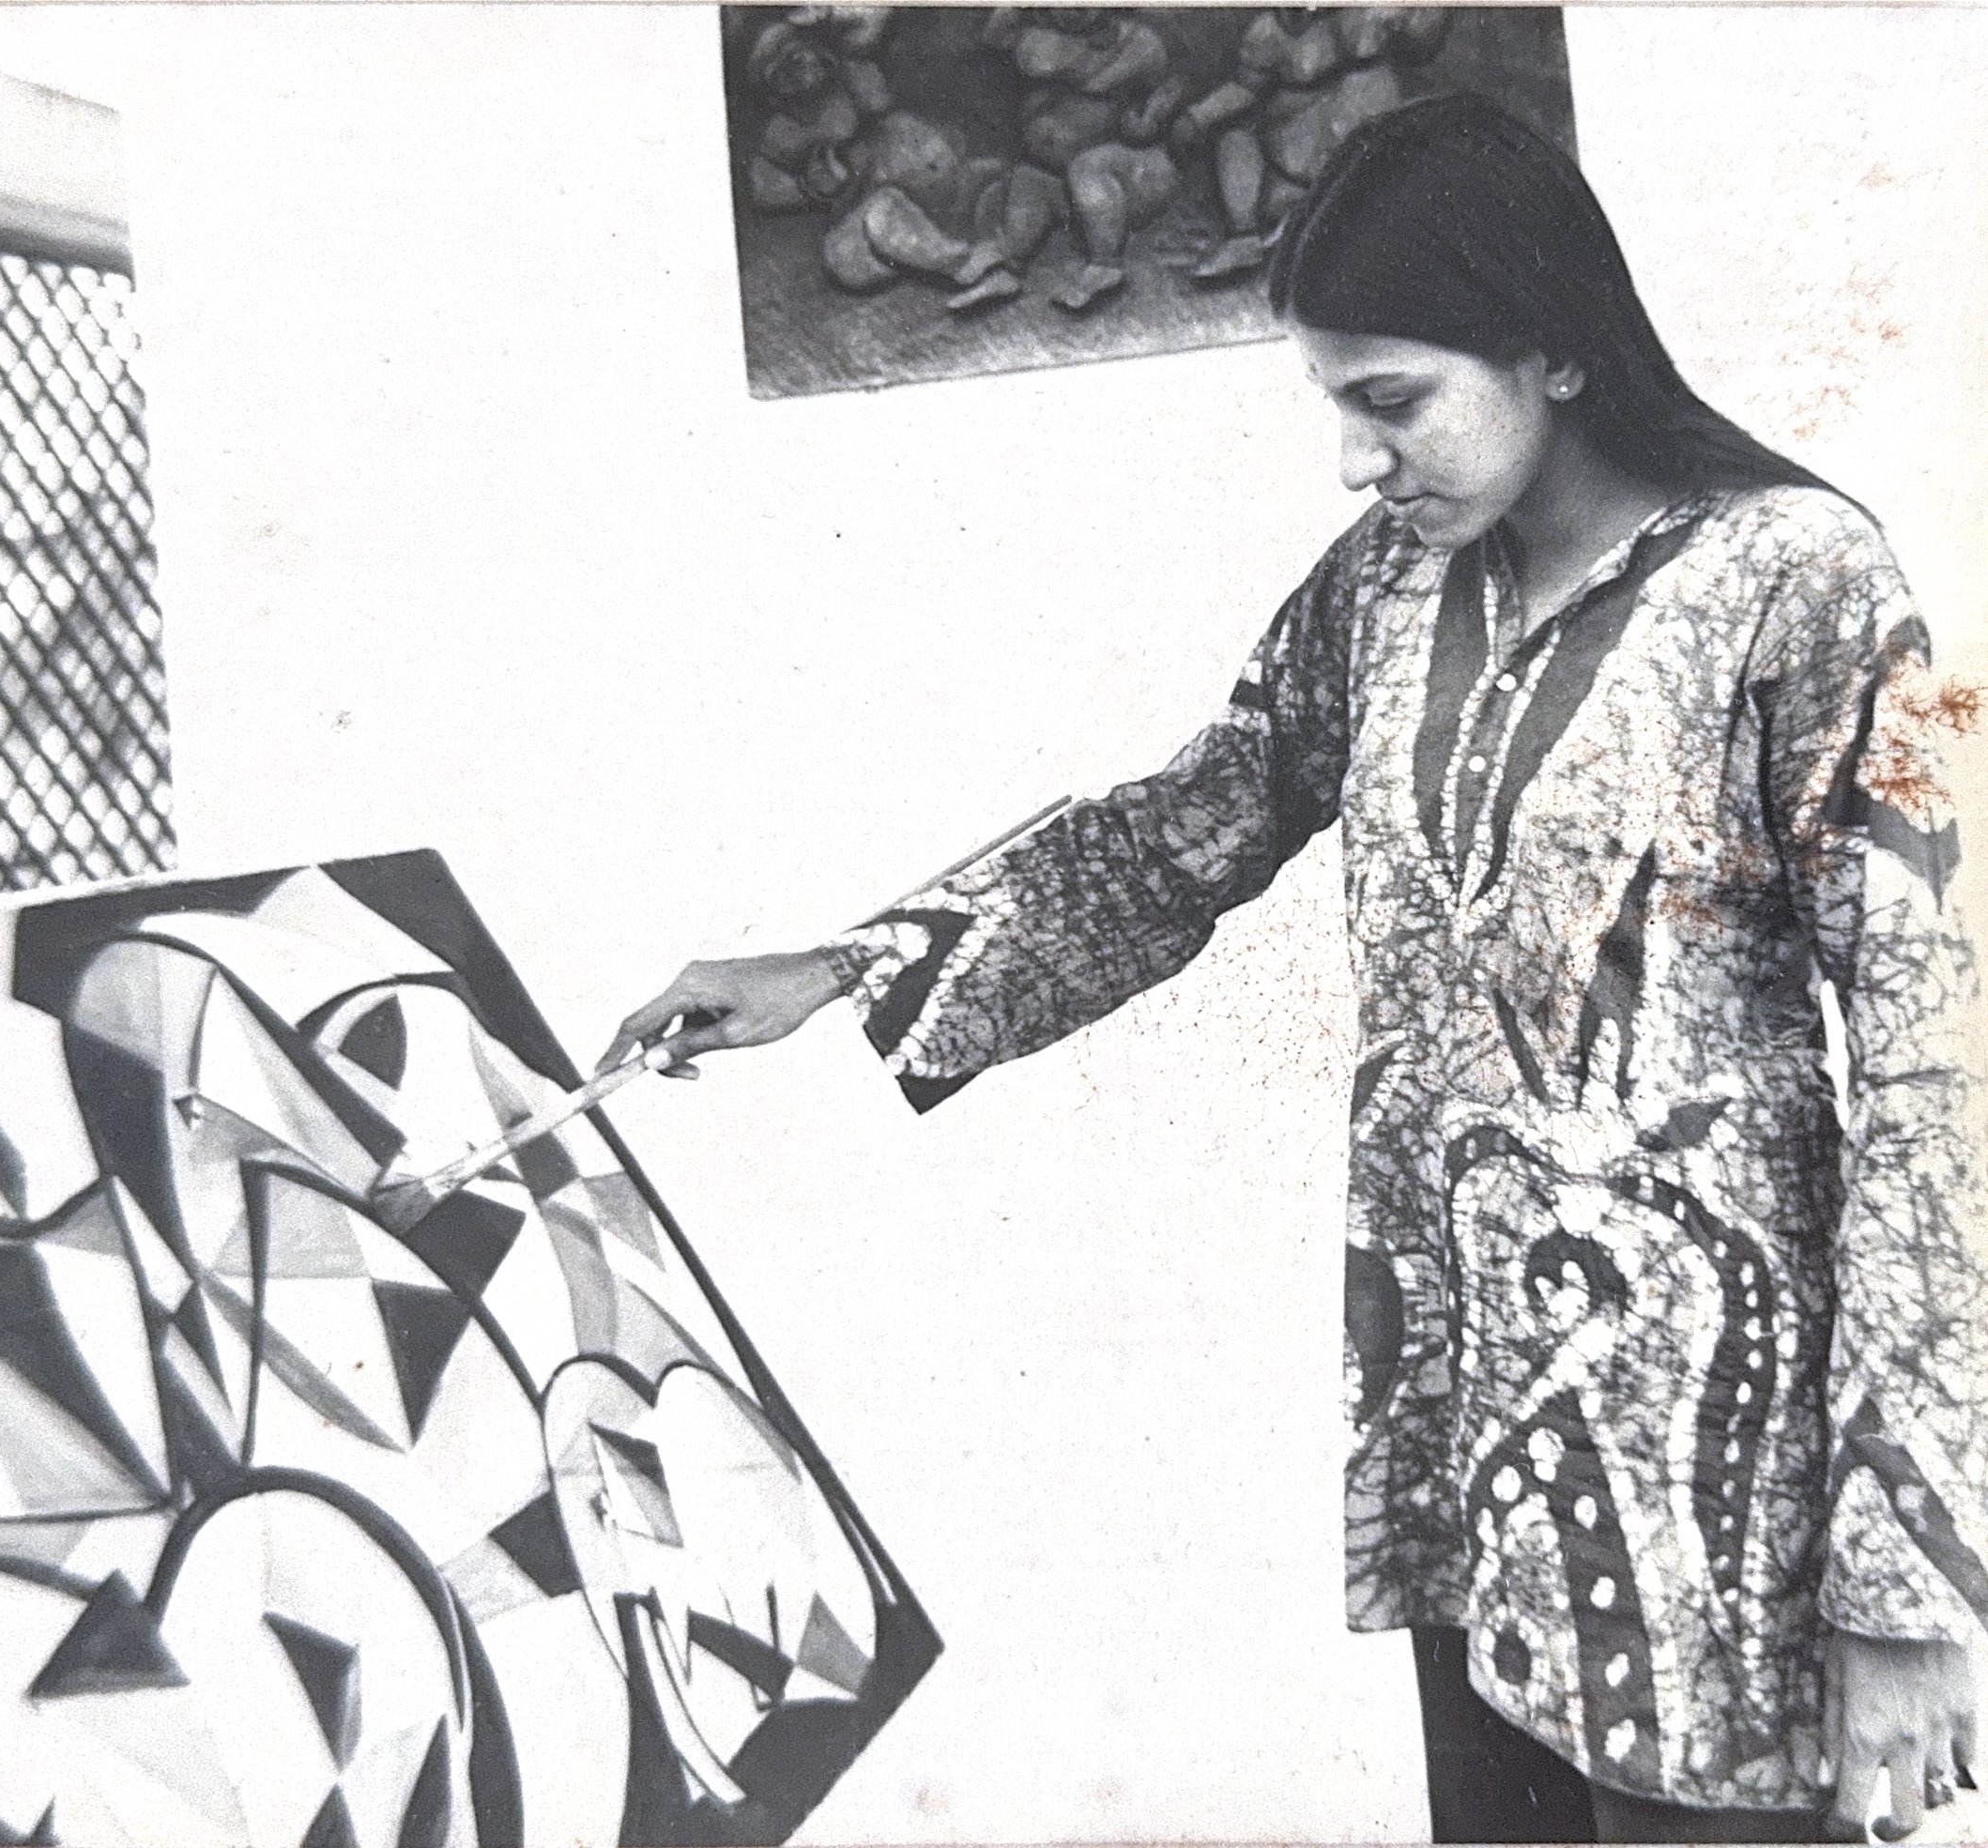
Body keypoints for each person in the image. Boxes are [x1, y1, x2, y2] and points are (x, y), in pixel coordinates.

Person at [603, 96, 1987, 1844]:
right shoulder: (1388, 589)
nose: (1353, 456)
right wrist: (839, 963)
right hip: (1475, 1458)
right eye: (1333, 402)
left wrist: (1912, 1578)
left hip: (1730, 1497)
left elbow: (1948, 1082)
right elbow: (1189, 823)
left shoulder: (1815, 586)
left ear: (1554, 350)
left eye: (1388, 398)